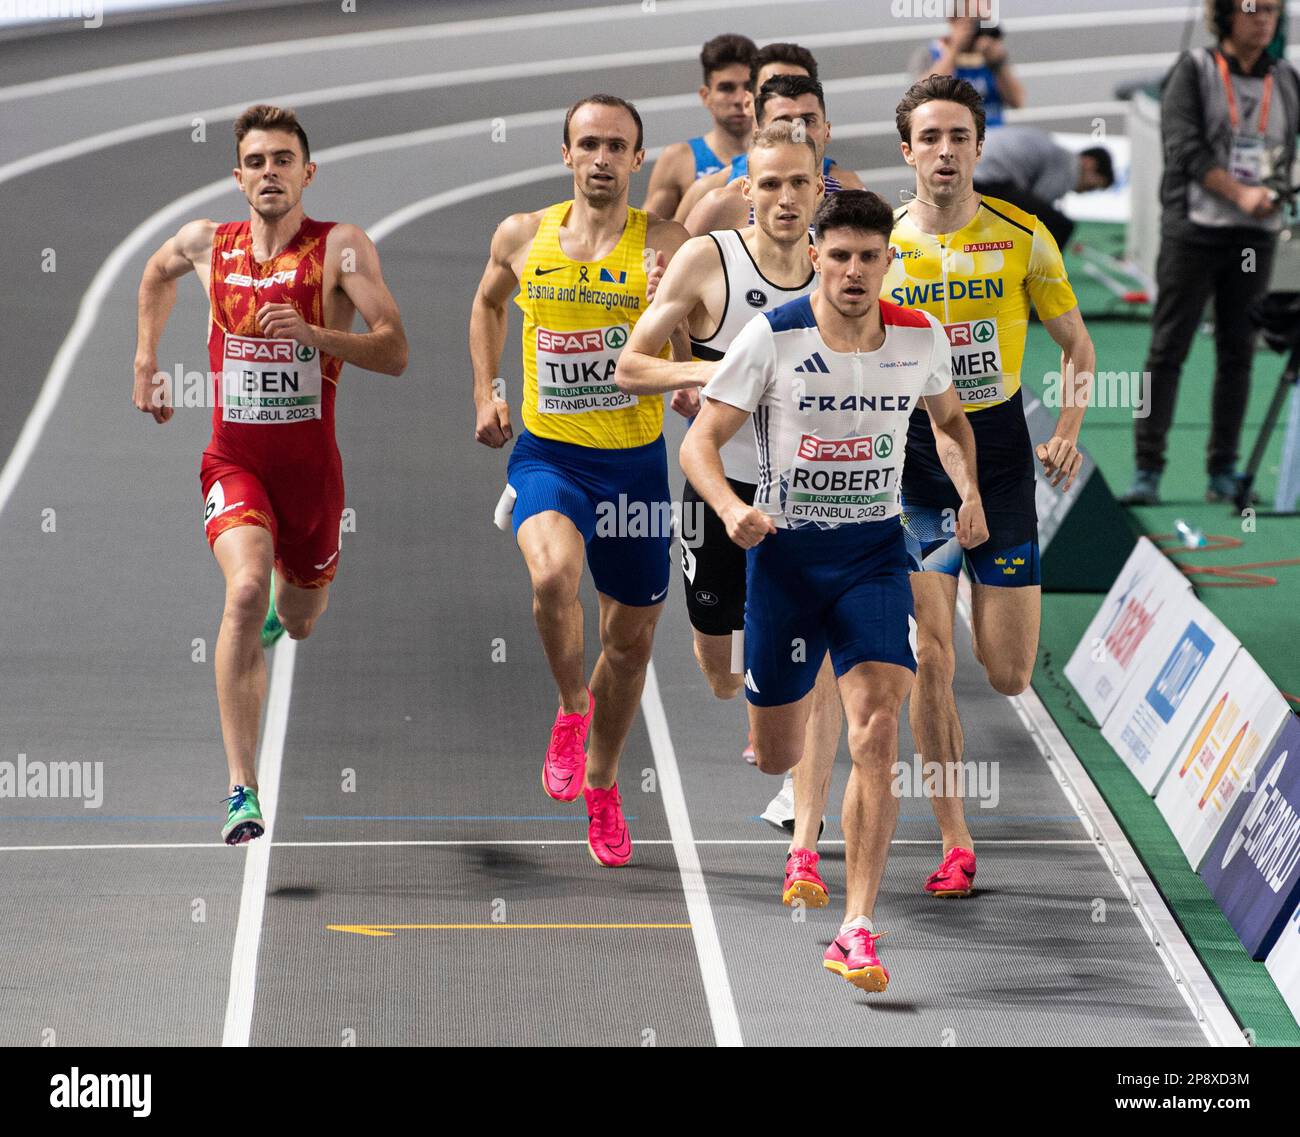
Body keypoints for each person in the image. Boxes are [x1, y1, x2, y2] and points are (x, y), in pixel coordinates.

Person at [779, 75, 1095, 901]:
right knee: (930, 652)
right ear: (907, 150)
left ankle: (931, 822)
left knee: (1008, 670)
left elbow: (1078, 347)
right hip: (907, 456)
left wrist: (1065, 430)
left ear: (979, 146)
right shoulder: (878, 244)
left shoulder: (1025, 237)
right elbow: (810, 304)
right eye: (931, 138)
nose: (945, 151)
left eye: (960, 136)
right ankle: (945, 837)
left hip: (996, 451)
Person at [680, 191, 986, 990]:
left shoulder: (919, 336)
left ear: (889, 260)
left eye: (869, 256)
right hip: (784, 558)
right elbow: (699, 444)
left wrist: (969, 492)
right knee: (778, 751)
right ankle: (782, 769)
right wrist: (731, 508)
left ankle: (857, 926)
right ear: (815, 254)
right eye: (839, 255)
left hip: (874, 556)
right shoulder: (773, 338)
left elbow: (952, 423)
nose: (854, 271)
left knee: (877, 729)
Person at [132, 104, 409, 844]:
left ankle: (287, 617)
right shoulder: (206, 244)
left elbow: (395, 349)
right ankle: (241, 788)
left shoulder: (341, 249)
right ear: (238, 177)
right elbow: (155, 275)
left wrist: (317, 334)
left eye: (283, 160)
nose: (269, 173)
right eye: (256, 162)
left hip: (312, 476)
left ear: (306, 173)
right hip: (236, 462)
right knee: (245, 591)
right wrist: (146, 361)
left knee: (302, 617)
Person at [616, 121, 838, 903]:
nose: (784, 198)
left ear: (821, 189)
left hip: (814, 502)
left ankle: (807, 842)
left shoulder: (838, 269)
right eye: (768, 183)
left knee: (817, 668)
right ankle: (764, 683)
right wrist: (720, 371)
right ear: (746, 188)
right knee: (719, 669)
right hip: (719, 489)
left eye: (798, 184)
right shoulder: (710, 260)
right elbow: (629, 364)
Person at [469, 94, 690, 867]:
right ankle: (570, 708)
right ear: (566, 154)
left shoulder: (667, 242)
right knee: (553, 575)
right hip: (550, 455)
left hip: (634, 467)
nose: (601, 157)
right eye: (587, 143)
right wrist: (484, 389)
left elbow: (687, 346)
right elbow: (488, 304)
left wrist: (680, 320)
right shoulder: (522, 235)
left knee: (628, 643)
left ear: (637, 159)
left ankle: (602, 781)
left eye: (617, 146)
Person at [1122, 0, 1299, 505]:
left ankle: (1224, 469)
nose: (1263, 19)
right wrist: (1240, 193)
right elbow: (1184, 147)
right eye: (1251, 10)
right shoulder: (1194, 71)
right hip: (1193, 232)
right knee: (1168, 349)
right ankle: (1147, 469)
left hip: (1253, 237)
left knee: (1239, 350)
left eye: (1271, 11)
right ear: (1223, 16)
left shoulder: (1285, 77)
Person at [683, 74, 863, 238]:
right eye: (782, 123)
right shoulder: (722, 206)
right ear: (757, 135)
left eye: (807, 121)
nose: (797, 133)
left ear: (827, 131)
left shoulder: (854, 205)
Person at [674, 42, 827, 223]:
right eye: (771, 88)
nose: (795, 131)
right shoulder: (712, 195)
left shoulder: (845, 189)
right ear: (751, 103)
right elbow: (666, 244)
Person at [642, 33, 756, 219]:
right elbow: (645, 236)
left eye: (748, 87)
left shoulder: (780, 158)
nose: (739, 99)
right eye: (726, 88)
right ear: (706, 96)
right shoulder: (678, 160)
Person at [974, 126, 1115, 248]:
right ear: (1089, 163)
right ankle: (1041, 276)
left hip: (975, 169)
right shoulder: (1069, 166)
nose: (1085, 192)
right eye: (1092, 187)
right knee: (1061, 226)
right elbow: (1039, 210)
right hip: (986, 179)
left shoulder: (1054, 151)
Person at [911, 13, 1024, 128]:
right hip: (954, 134)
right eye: (969, 21)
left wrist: (997, 63)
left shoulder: (993, 56)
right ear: (953, 21)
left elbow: (1017, 101)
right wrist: (954, 50)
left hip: (992, 133)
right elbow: (924, 96)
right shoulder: (933, 53)